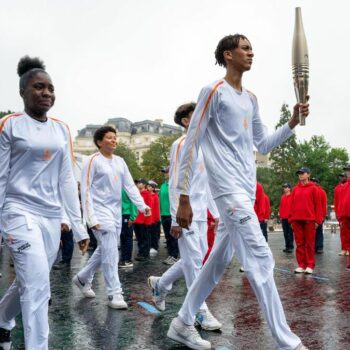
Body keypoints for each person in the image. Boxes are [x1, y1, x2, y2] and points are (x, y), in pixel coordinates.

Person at [167, 34, 310, 350]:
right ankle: (288, 343)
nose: (251, 52)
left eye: (251, 48)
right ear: (228, 55)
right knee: (260, 260)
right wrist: (184, 197)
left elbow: (262, 145)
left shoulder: (252, 99)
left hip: (245, 193)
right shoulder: (213, 91)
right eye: (245, 48)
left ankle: (182, 322)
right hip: (227, 193)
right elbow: (192, 142)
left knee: (217, 261)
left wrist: (292, 123)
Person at [0, 56, 89, 350]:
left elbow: (66, 179)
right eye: (39, 87)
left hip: (51, 216)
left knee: (31, 279)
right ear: (23, 91)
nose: (47, 93)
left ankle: (1, 320)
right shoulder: (8, 126)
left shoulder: (62, 129)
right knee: (38, 287)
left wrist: (79, 227)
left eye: (51, 88)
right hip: (18, 211)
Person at [148, 102, 221, 331]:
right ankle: (200, 311)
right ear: (186, 121)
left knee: (194, 259)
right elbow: (175, 183)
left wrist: (215, 214)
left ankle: (161, 283)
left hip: (200, 215)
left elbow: (207, 184)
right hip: (184, 214)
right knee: (193, 264)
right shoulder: (180, 145)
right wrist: (174, 218)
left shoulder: (206, 146)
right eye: (196, 114)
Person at [73, 126, 149, 309]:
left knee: (108, 248)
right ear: (99, 142)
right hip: (99, 212)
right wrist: (90, 217)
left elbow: (130, 186)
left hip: (115, 213)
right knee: (111, 252)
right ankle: (114, 293)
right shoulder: (91, 160)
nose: (114, 140)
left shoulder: (120, 161)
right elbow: (86, 189)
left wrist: (142, 205)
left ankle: (83, 278)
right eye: (109, 137)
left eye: (115, 137)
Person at [289, 167, 322, 274]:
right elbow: (292, 205)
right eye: (299, 173)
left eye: (303, 173)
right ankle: (301, 265)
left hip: (309, 220)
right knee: (299, 243)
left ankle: (310, 265)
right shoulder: (295, 189)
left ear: (308, 175)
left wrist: (318, 221)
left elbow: (318, 205)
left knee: (309, 243)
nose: (301, 175)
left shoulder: (314, 188)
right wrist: (291, 220)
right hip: (297, 220)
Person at [159, 166, 179, 265]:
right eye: (164, 172)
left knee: (173, 236)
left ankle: (175, 255)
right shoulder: (163, 186)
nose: (165, 174)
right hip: (164, 214)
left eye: (167, 172)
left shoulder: (174, 185)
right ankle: (170, 255)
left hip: (172, 214)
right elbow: (160, 201)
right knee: (167, 236)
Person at [133, 179, 153, 261]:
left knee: (144, 237)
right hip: (136, 219)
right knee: (139, 238)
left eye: (139, 183)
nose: (138, 184)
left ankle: (145, 254)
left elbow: (149, 207)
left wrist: (147, 220)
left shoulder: (147, 194)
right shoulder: (137, 194)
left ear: (144, 184)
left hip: (144, 220)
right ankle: (141, 252)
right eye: (137, 183)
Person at [119, 189, 138, 268]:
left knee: (127, 238)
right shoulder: (119, 186)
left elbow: (134, 202)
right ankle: (123, 259)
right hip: (121, 215)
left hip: (127, 214)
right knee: (123, 238)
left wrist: (132, 217)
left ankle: (127, 260)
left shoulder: (128, 188)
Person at [311, 177, 327, 254]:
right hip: (310, 215)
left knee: (319, 232)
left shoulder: (322, 192)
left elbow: (324, 204)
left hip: (319, 214)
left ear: (318, 183)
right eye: (312, 181)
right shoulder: (310, 190)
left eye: (315, 181)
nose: (313, 182)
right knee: (311, 233)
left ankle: (319, 247)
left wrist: (323, 215)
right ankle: (313, 247)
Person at [334, 172, 347, 255]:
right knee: (343, 232)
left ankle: (348, 249)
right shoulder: (337, 188)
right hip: (340, 212)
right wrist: (336, 211)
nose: (341, 178)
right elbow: (336, 201)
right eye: (340, 177)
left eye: (343, 176)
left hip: (347, 211)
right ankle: (344, 248)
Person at [338, 165, 350, 260]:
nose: (347, 173)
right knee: (344, 233)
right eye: (347, 171)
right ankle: (345, 248)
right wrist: (340, 214)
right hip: (345, 215)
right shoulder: (343, 187)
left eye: (349, 171)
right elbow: (340, 202)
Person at [147, 180, 161, 256]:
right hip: (148, 218)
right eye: (147, 186)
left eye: (149, 186)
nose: (147, 187)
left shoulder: (155, 196)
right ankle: (149, 246)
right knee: (148, 233)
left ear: (153, 188)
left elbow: (156, 208)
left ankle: (154, 247)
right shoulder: (147, 195)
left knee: (154, 234)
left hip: (154, 219)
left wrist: (157, 219)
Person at [279, 183, 294, 253]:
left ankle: (291, 246)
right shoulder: (282, 197)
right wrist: (281, 216)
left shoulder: (293, 196)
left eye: (286, 187)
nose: (284, 188)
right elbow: (281, 207)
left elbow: (294, 207)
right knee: (285, 233)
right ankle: (287, 246)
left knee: (290, 233)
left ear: (289, 188)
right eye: (284, 187)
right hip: (284, 218)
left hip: (290, 218)